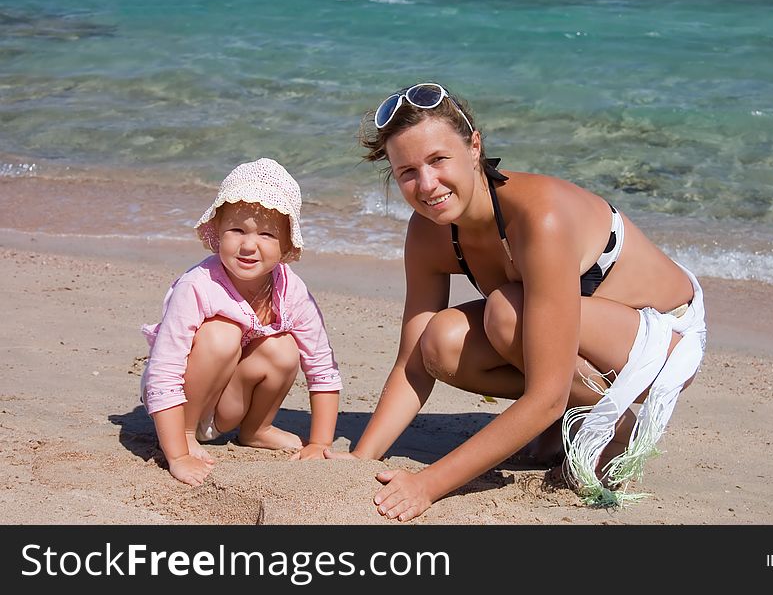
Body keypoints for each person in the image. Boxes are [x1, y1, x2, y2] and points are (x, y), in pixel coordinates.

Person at [326, 82, 706, 520]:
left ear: (474, 147)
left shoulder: (537, 217)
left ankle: (609, 427)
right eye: (408, 172)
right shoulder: (428, 232)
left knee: (506, 313)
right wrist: (364, 457)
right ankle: (578, 418)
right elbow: (412, 362)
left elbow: (546, 393)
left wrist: (428, 485)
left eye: (438, 160)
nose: (427, 185)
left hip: (664, 337)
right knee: (440, 343)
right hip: (572, 336)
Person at [140, 157, 342, 486]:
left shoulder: (291, 290)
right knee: (222, 333)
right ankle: (190, 433)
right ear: (218, 231)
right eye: (237, 230)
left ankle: (256, 429)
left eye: (266, 234)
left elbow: (321, 365)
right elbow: (163, 372)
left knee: (284, 348)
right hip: (180, 408)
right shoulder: (198, 285)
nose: (249, 245)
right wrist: (177, 453)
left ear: (287, 244)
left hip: (227, 408)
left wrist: (320, 443)